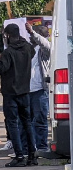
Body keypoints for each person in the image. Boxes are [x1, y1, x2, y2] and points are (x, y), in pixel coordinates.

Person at [0, 24, 37, 167]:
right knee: (27, 123)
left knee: (13, 124)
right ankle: (32, 155)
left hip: (11, 92)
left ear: (7, 36)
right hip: (25, 90)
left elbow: (1, 68)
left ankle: (19, 156)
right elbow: (32, 51)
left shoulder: (9, 52)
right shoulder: (26, 48)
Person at [24, 23, 50, 152]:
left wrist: (33, 32)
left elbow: (45, 44)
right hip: (24, 91)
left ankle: (41, 147)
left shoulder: (44, 51)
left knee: (40, 120)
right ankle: (26, 149)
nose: (31, 37)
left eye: (34, 34)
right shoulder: (26, 49)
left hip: (39, 91)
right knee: (24, 121)